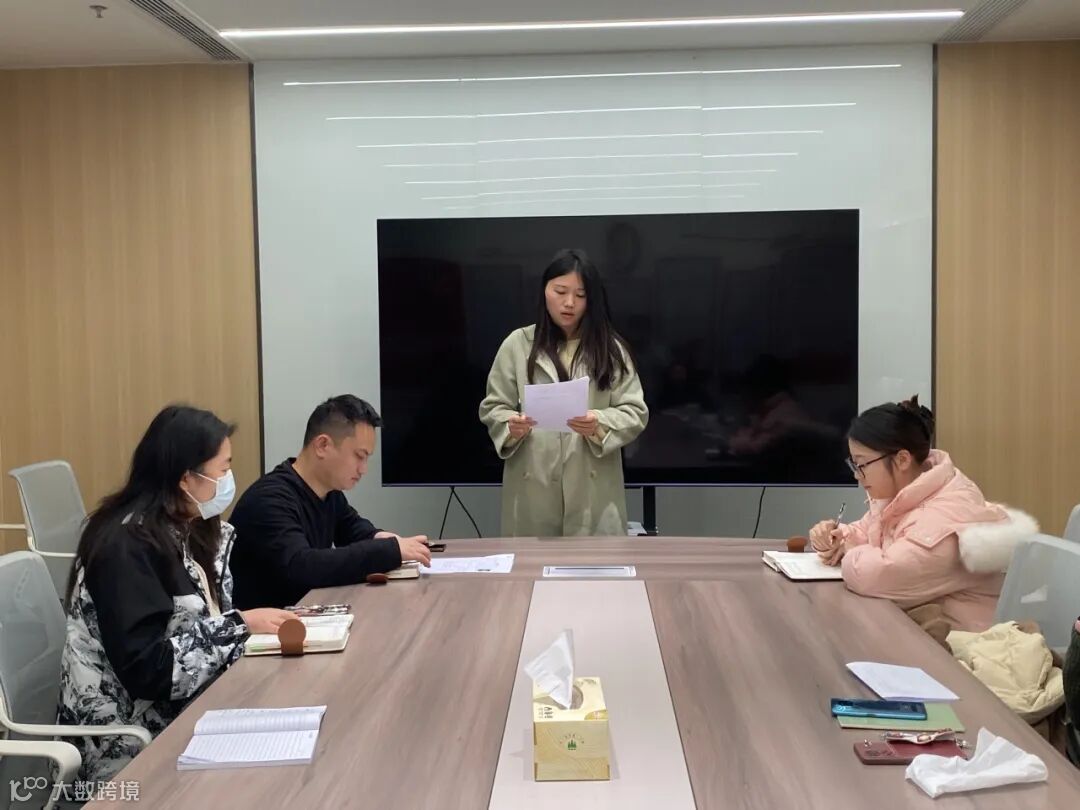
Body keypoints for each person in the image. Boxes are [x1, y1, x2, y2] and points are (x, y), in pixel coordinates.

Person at [58, 405, 296, 785]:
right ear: (187, 479)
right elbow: (148, 670)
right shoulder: (125, 546)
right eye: (223, 470)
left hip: (188, 714)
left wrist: (244, 629)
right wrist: (238, 627)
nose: (228, 481)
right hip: (128, 748)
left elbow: (202, 622)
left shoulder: (188, 529)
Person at [809, 396, 1037, 632]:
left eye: (862, 465)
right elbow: (866, 532)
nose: (857, 475)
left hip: (964, 641)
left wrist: (849, 551)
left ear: (902, 460)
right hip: (924, 630)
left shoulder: (945, 514)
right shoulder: (906, 492)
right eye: (854, 465)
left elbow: (877, 576)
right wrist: (836, 537)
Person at [479, 248, 648, 536]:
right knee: (532, 563)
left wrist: (598, 422)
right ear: (545, 291)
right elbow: (493, 406)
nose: (569, 303)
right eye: (560, 291)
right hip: (533, 487)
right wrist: (511, 425)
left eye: (580, 295)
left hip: (593, 494)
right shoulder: (518, 344)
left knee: (594, 563)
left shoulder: (610, 348)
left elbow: (635, 412)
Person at [229, 395, 430, 609]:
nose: (363, 469)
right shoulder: (269, 499)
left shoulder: (329, 492)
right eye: (359, 456)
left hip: (305, 614)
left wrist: (381, 537)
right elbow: (303, 567)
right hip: (267, 626)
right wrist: (387, 550)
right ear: (322, 445)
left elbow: (352, 529)